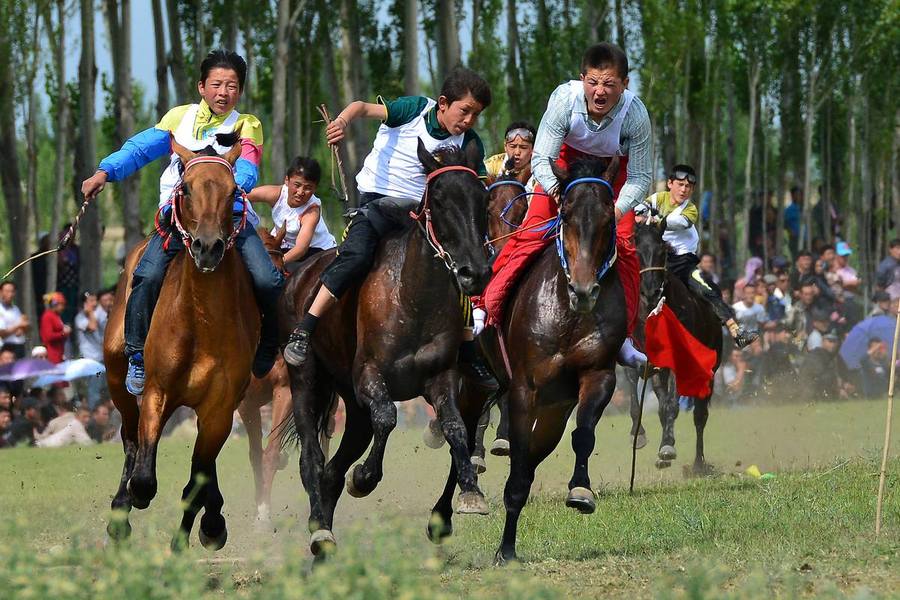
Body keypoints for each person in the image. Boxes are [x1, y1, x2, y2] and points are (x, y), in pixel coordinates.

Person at [81, 49, 283, 395]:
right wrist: (105, 171)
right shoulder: (180, 118)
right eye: (217, 84)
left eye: (232, 86)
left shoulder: (247, 124)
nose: (224, 92)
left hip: (230, 219)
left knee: (268, 279)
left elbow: (249, 163)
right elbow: (140, 148)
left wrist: (237, 181)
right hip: (178, 219)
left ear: (240, 91)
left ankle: (267, 346)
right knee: (146, 275)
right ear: (201, 86)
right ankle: (136, 357)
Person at [282, 67, 492, 367]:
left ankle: (468, 350)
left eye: (477, 115)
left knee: (461, 264)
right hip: (378, 203)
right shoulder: (415, 109)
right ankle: (306, 328)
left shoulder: (470, 142)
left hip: (422, 216)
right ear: (443, 103)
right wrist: (342, 121)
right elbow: (362, 107)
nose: (469, 120)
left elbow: (478, 186)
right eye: (465, 110)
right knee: (355, 257)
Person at [468, 43, 650, 370]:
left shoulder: (635, 115)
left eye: (609, 84)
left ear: (625, 84)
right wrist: (557, 192)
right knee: (529, 235)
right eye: (593, 82)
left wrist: (616, 210)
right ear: (582, 79)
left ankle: (624, 337)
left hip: (613, 178)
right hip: (563, 170)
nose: (600, 92)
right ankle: (486, 308)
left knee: (624, 247)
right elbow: (542, 158)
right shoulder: (564, 101)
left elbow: (640, 177)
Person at [637, 164, 758, 347]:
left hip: (683, 264)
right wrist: (646, 217)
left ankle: (736, 331)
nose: (683, 190)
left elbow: (678, 222)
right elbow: (637, 214)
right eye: (680, 184)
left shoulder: (691, 209)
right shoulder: (657, 198)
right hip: (656, 261)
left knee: (708, 288)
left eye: (688, 187)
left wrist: (654, 219)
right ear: (670, 184)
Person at [248, 156, 336, 274]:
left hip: (315, 252)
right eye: (297, 185)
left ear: (315, 189)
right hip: (283, 247)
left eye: (308, 188)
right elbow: (244, 196)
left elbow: (301, 248)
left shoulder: (311, 212)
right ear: (287, 181)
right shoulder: (276, 194)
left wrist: (277, 262)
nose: (300, 192)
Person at [484, 121, 538, 189]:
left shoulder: (540, 169)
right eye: (513, 146)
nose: (517, 152)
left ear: (533, 149)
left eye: (523, 147)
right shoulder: (493, 164)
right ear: (505, 146)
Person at [0, 281, 29, 359]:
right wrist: (19, 326)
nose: (10, 294)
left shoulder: (16, 309)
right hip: (7, 348)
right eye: (7, 291)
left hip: (20, 346)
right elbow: (2, 333)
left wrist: (23, 328)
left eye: (12, 291)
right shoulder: (1, 309)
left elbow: (23, 328)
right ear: (1, 292)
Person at [39, 292, 70, 364]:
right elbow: (48, 336)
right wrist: (63, 333)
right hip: (52, 353)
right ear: (54, 304)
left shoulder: (56, 316)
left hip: (60, 352)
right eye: (61, 304)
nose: (63, 307)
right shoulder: (48, 316)